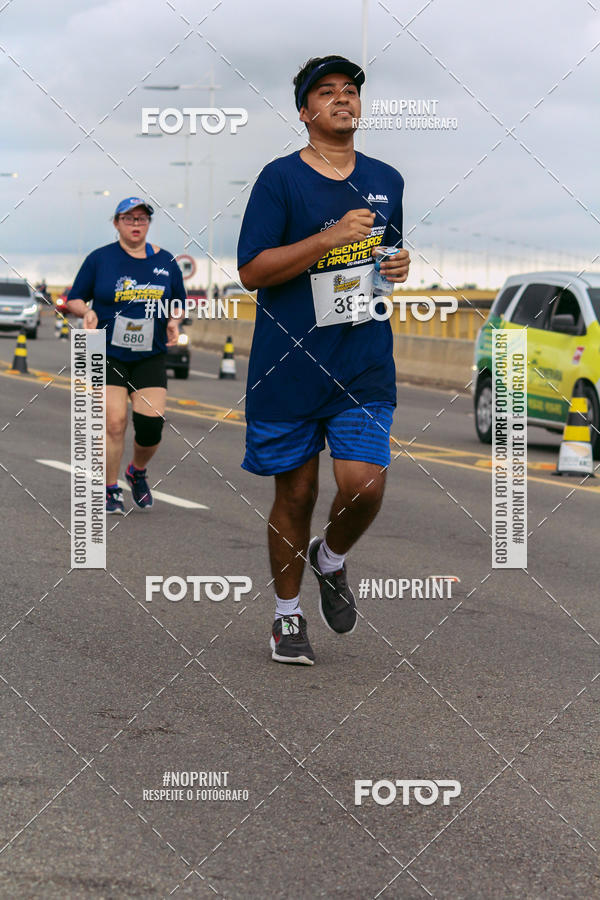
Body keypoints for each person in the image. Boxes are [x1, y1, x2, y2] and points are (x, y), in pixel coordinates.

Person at [238, 55, 410, 665]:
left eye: (351, 91)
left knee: (363, 485)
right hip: (290, 363)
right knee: (298, 492)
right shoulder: (279, 179)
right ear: (305, 111)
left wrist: (398, 266)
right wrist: (326, 239)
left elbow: (381, 263)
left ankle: (330, 557)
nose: (343, 98)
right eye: (327, 91)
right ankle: (287, 614)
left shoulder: (387, 177)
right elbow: (253, 270)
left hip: (363, 358)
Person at [66, 197, 186, 514]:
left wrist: (174, 320)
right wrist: (87, 311)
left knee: (150, 428)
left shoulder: (167, 262)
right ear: (116, 223)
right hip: (109, 353)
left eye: (141, 219)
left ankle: (137, 470)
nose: (135, 224)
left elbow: (178, 302)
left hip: (150, 354)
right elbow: (74, 298)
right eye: (128, 219)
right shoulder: (100, 259)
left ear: (148, 223)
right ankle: (109, 489)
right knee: (115, 424)